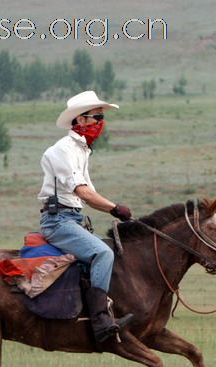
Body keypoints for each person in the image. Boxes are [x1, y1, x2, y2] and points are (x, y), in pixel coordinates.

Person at [38, 90, 133, 343]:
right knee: (103, 253)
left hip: (74, 218)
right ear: (79, 120)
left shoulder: (82, 151)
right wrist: (115, 208)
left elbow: (89, 194)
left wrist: (120, 214)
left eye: (102, 118)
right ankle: (101, 320)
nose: (100, 123)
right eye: (96, 117)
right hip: (58, 221)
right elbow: (83, 193)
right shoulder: (62, 150)